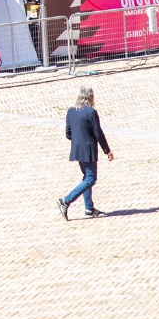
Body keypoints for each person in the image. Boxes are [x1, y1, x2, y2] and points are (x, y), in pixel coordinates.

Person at [59, 85, 113, 219]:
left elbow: (68, 134)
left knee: (86, 178)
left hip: (77, 149)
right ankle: (66, 200)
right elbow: (98, 134)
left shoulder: (71, 111)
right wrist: (107, 150)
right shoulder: (91, 113)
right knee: (90, 179)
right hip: (88, 150)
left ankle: (89, 208)